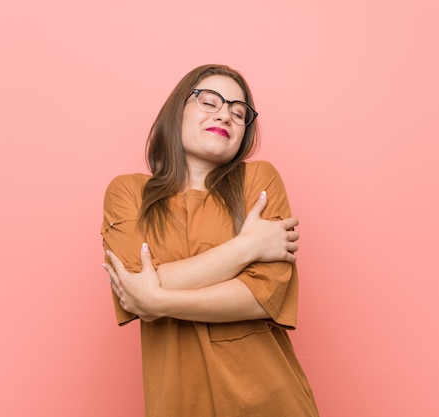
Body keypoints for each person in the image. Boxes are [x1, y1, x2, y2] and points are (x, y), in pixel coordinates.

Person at [101, 64, 319, 416]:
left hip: (271, 401)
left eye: (238, 112)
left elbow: (262, 298)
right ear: (178, 110)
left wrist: (156, 299)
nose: (226, 115)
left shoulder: (259, 180)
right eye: (209, 101)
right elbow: (131, 289)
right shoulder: (128, 192)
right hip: (177, 403)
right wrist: (246, 247)